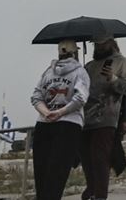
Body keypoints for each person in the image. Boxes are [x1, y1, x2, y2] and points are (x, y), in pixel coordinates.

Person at [31, 40, 91, 200]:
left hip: (43, 124)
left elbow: (36, 96)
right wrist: (61, 112)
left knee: (41, 173)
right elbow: (80, 98)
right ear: (75, 52)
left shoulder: (48, 72)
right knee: (57, 173)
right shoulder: (80, 72)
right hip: (69, 124)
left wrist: (46, 112)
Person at [81, 35, 126, 200]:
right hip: (85, 118)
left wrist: (113, 79)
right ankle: (91, 189)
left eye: (102, 43)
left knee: (100, 160)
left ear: (111, 43)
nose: (98, 47)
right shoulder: (89, 66)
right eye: (95, 44)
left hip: (106, 118)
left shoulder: (122, 62)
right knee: (86, 159)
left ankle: (100, 195)